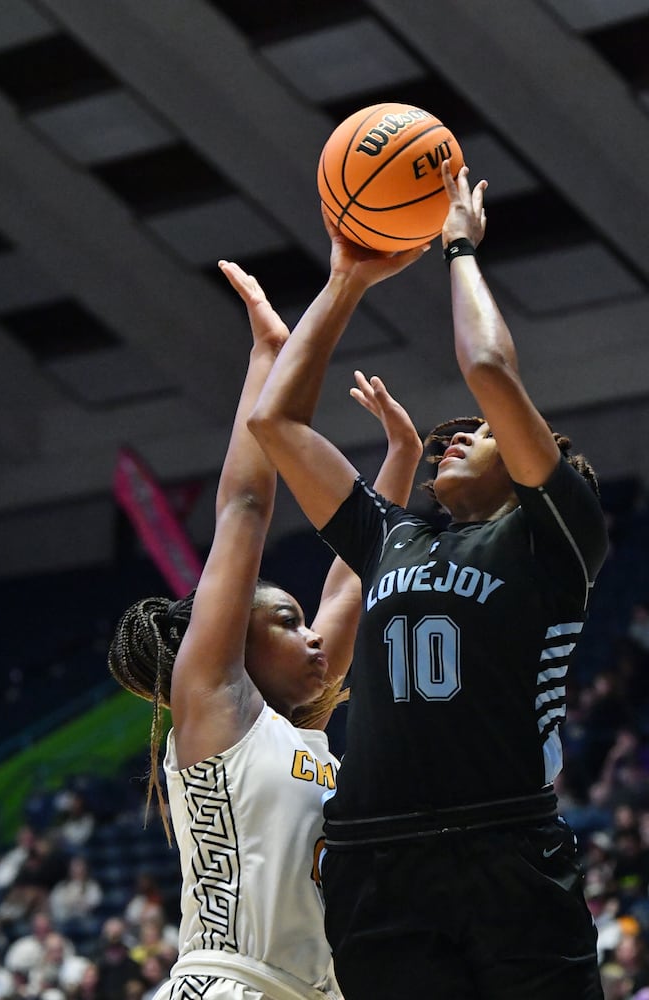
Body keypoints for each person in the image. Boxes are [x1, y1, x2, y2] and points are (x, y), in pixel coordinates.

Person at [247, 157, 609, 999]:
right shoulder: (395, 538)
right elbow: (275, 420)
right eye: (445, 436)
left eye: (473, 435)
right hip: (376, 855)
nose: (450, 438)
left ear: (539, 466)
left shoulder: (552, 537)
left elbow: (488, 369)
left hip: (506, 846)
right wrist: (344, 278)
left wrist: (458, 249)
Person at [107, 261, 422, 1000]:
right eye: (287, 622)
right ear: (232, 645)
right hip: (230, 986)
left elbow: (355, 577)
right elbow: (244, 504)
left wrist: (399, 462)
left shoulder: (299, 734)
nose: (313, 637)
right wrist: (266, 355)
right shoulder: (215, 704)